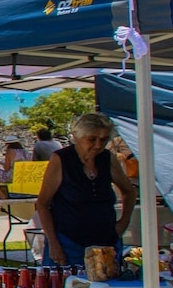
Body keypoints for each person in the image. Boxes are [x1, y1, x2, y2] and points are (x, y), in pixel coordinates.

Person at [35, 112, 138, 265]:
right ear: (76, 137)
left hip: (107, 241)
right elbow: (43, 204)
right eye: (92, 139)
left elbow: (129, 191)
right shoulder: (61, 159)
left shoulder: (107, 158)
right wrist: (54, 244)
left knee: (107, 286)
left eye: (103, 140)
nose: (98, 145)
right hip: (69, 243)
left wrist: (123, 222)